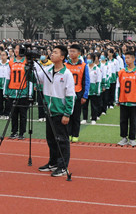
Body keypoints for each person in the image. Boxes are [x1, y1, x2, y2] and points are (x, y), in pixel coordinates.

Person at [32, 45, 76, 177]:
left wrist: (67, 114)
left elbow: (70, 95)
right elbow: (34, 79)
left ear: (62, 57)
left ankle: (63, 166)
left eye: (55, 52)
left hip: (60, 112)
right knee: (51, 139)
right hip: (49, 110)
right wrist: (28, 66)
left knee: (62, 140)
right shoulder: (47, 70)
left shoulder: (67, 74)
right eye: (52, 52)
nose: (52, 54)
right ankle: (53, 162)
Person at [115, 51, 136, 147]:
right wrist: (117, 99)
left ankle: (132, 138)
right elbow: (118, 86)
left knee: (133, 121)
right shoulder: (121, 72)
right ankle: (123, 137)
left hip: (133, 100)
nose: (126, 60)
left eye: (128, 58)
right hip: (123, 100)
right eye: (125, 58)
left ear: (133, 59)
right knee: (123, 120)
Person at [6, 45, 32, 139]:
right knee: (13, 114)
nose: (17, 50)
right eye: (15, 49)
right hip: (12, 92)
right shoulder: (10, 62)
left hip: (23, 92)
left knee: (23, 114)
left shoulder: (26, 61)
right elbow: (7, 77)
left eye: (19, 49)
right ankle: (14, 131)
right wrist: (6, 91)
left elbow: (30, 78)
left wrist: (30, 93)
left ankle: (22, 133)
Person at [65, 44, 89, 143]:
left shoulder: (83, 65)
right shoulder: (65, 65)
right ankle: (68, 134)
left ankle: (75, 134)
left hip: (78, 93)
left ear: (79, 53)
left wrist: (85, 95)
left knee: (76, 115)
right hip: (67, 94)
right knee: (67, 114)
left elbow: (86, 81)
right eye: (70, 51)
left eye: (73, 51)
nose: (71, 53)